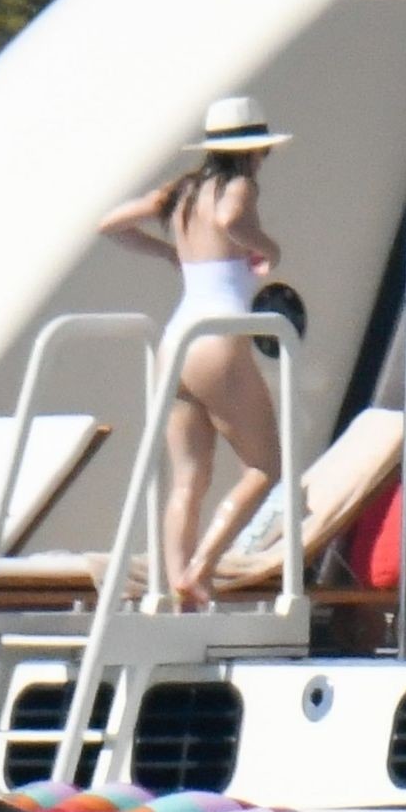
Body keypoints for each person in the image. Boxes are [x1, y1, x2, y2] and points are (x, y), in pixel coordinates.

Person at [98, 96, 292, 608]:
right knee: (265, 468)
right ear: (254, 152)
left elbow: (110, 224)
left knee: (188, 478)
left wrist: (171, 253)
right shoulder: (239, 186)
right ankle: (200, 569)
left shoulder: (181, 191)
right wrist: (267, 248)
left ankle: (177, 589)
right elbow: (230, 217)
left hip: (176, 341)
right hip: (217, 340)